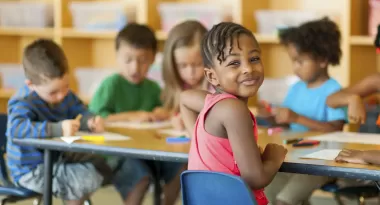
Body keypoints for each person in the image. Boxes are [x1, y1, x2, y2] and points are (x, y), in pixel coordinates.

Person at [180, 22, 288, 205]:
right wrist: (273, 158)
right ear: (212, 77)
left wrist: (200, 141)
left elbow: (184, 98)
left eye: (254, 59)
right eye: (234, 63)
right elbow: (256, 179)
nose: (248, 68)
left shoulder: (212, 102)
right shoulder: (234, 109)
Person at [89, 23, 183, 205]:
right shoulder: (111, 85)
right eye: (128, 59)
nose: (135, 67)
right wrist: (131, 115)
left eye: (143, 60)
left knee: (181, 165)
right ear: (117, 56)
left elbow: (163, 112)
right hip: (118, 154)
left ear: (154, 59)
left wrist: (161, 113)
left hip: (149, 150)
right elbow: (93, 119)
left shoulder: (153, 88)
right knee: (140, 176)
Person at [6, 39, 107, 205]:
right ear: (31, 85)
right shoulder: (24, 101)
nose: (61, 96)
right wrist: (56, 129)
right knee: (87, 176)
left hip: (58, 161)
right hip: (31, 171)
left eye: (66, 87)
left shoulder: (65, 95)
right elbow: (16, 128)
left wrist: (90, 121)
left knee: (102, 165)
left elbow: (80, 110)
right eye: (53, 92)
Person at [261, 18, 347, 205]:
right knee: (264, 196)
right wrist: (273, 118)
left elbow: (335, 129)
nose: (295, 67)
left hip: (321, 164)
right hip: (294, 158)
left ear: (323, 59)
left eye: (300, 61)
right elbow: (287, 123)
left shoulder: (334, 91)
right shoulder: (296, 88)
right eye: (294, 61)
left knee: (284, 201)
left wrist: (296, 117)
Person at [161, 20, 209, 130]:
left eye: (197, 64)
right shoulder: (176, 88)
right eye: (182, 66)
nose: (190, 73)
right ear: (172, 65)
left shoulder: (215, 88)